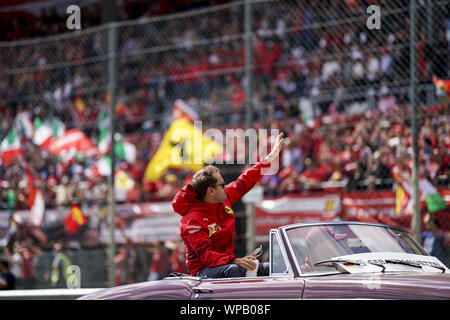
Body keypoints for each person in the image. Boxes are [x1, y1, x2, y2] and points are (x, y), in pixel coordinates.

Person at [172, 132, 285, 278]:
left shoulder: (223, 198)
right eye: (222, 185)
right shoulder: (191, 220)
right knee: (235, 271)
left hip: (228, 264)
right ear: (210, 191)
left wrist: (270, 158)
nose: (226, 187)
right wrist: (235, 260)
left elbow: (245, 181)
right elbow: (206, 256)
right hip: (202, 272)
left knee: (275, 268)